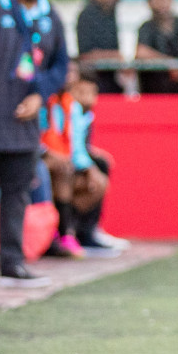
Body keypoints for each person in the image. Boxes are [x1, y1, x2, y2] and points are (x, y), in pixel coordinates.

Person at [0, 0, 70, 286]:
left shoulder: (50, 16)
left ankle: (12, 264)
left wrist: (39, 93)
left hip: (24, 126)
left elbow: (61, 65)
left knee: (17, 195)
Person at [41, 69, 123, 258]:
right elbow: (40, 138)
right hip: (43, 159)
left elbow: (76, 145)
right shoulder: (44, 101)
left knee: (98, 171)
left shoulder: (72, 107)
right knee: (65, 169)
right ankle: (62, 233)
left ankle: (77, 231)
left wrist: (90, 167)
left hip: (64, 161)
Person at [135, 0, 178, 94]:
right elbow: (141, 52)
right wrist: (169, 63)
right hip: (152, 91)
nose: (161, 2)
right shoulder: (146, 27)